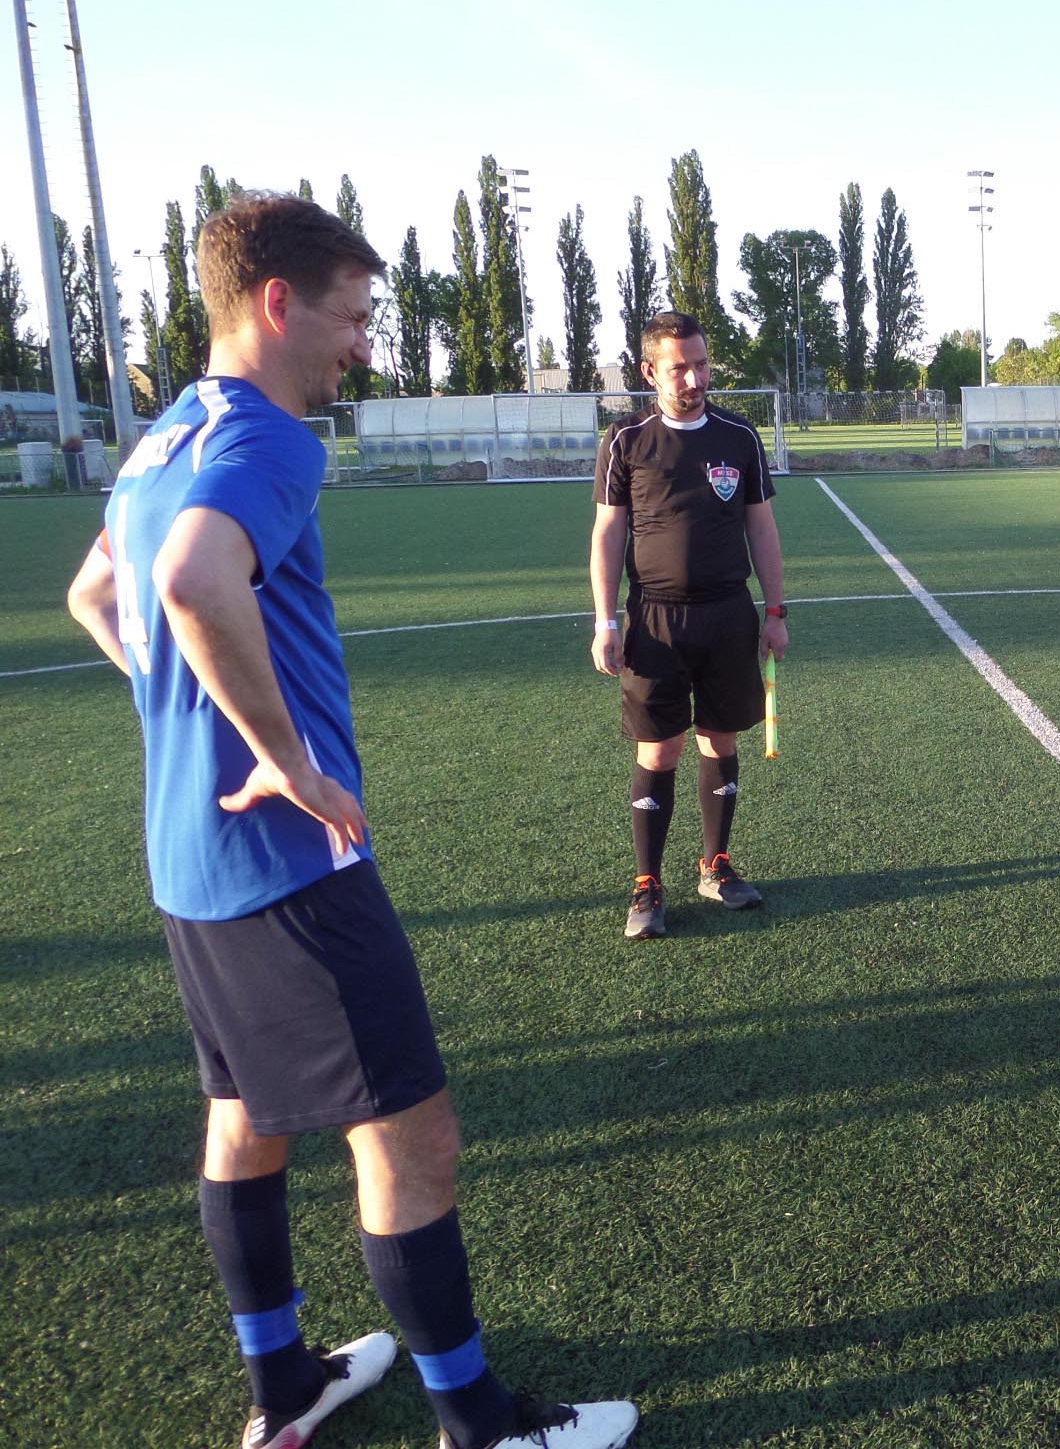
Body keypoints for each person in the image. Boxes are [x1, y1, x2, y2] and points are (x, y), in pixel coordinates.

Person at [64, 194, 635, 1448]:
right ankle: (480, 1424)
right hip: (288, 863)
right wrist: (284, 759)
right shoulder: (267, 437)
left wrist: (185, 717)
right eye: (355, 315)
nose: (365, 345)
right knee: (409, 1134)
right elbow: (187, 582)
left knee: (245, 1116)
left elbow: (95, 594)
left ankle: (283, 1387)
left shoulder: (165, 438)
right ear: (278, 303)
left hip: (188, 858)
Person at [588, 311, 788, 939]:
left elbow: (762, 527)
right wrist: (605, 620)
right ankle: (647, 883)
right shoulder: (626, 439)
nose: (695, 379)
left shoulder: (739, 436)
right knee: (659, 748)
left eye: (701, 365)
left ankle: (715, 865)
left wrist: (775, 610)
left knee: (720, 740)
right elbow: (608, 532)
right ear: (650, 371)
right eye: (680, 368)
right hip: (654, 618)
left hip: (728, 613)